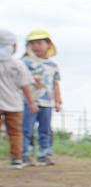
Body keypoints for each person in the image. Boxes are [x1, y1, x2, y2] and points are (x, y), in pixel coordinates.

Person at [21, 29, 62, 166]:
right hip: (29, 101)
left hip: (47, 102)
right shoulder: (26, 62)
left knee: (45, 129)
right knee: (26, 128)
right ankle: (24, 153)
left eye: (39, 43)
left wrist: (58, 100)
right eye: (32, 44)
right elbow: (19, 78)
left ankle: (44, 154)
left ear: (48, 44)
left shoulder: (53, 66)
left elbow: (55, 84)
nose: (36, 46)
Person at [0, 29, 39, 169]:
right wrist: (31, 103)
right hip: (14, 104)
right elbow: (25, 86)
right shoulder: (17, 64)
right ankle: (16, 159)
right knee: (15, 133)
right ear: (12, 46)